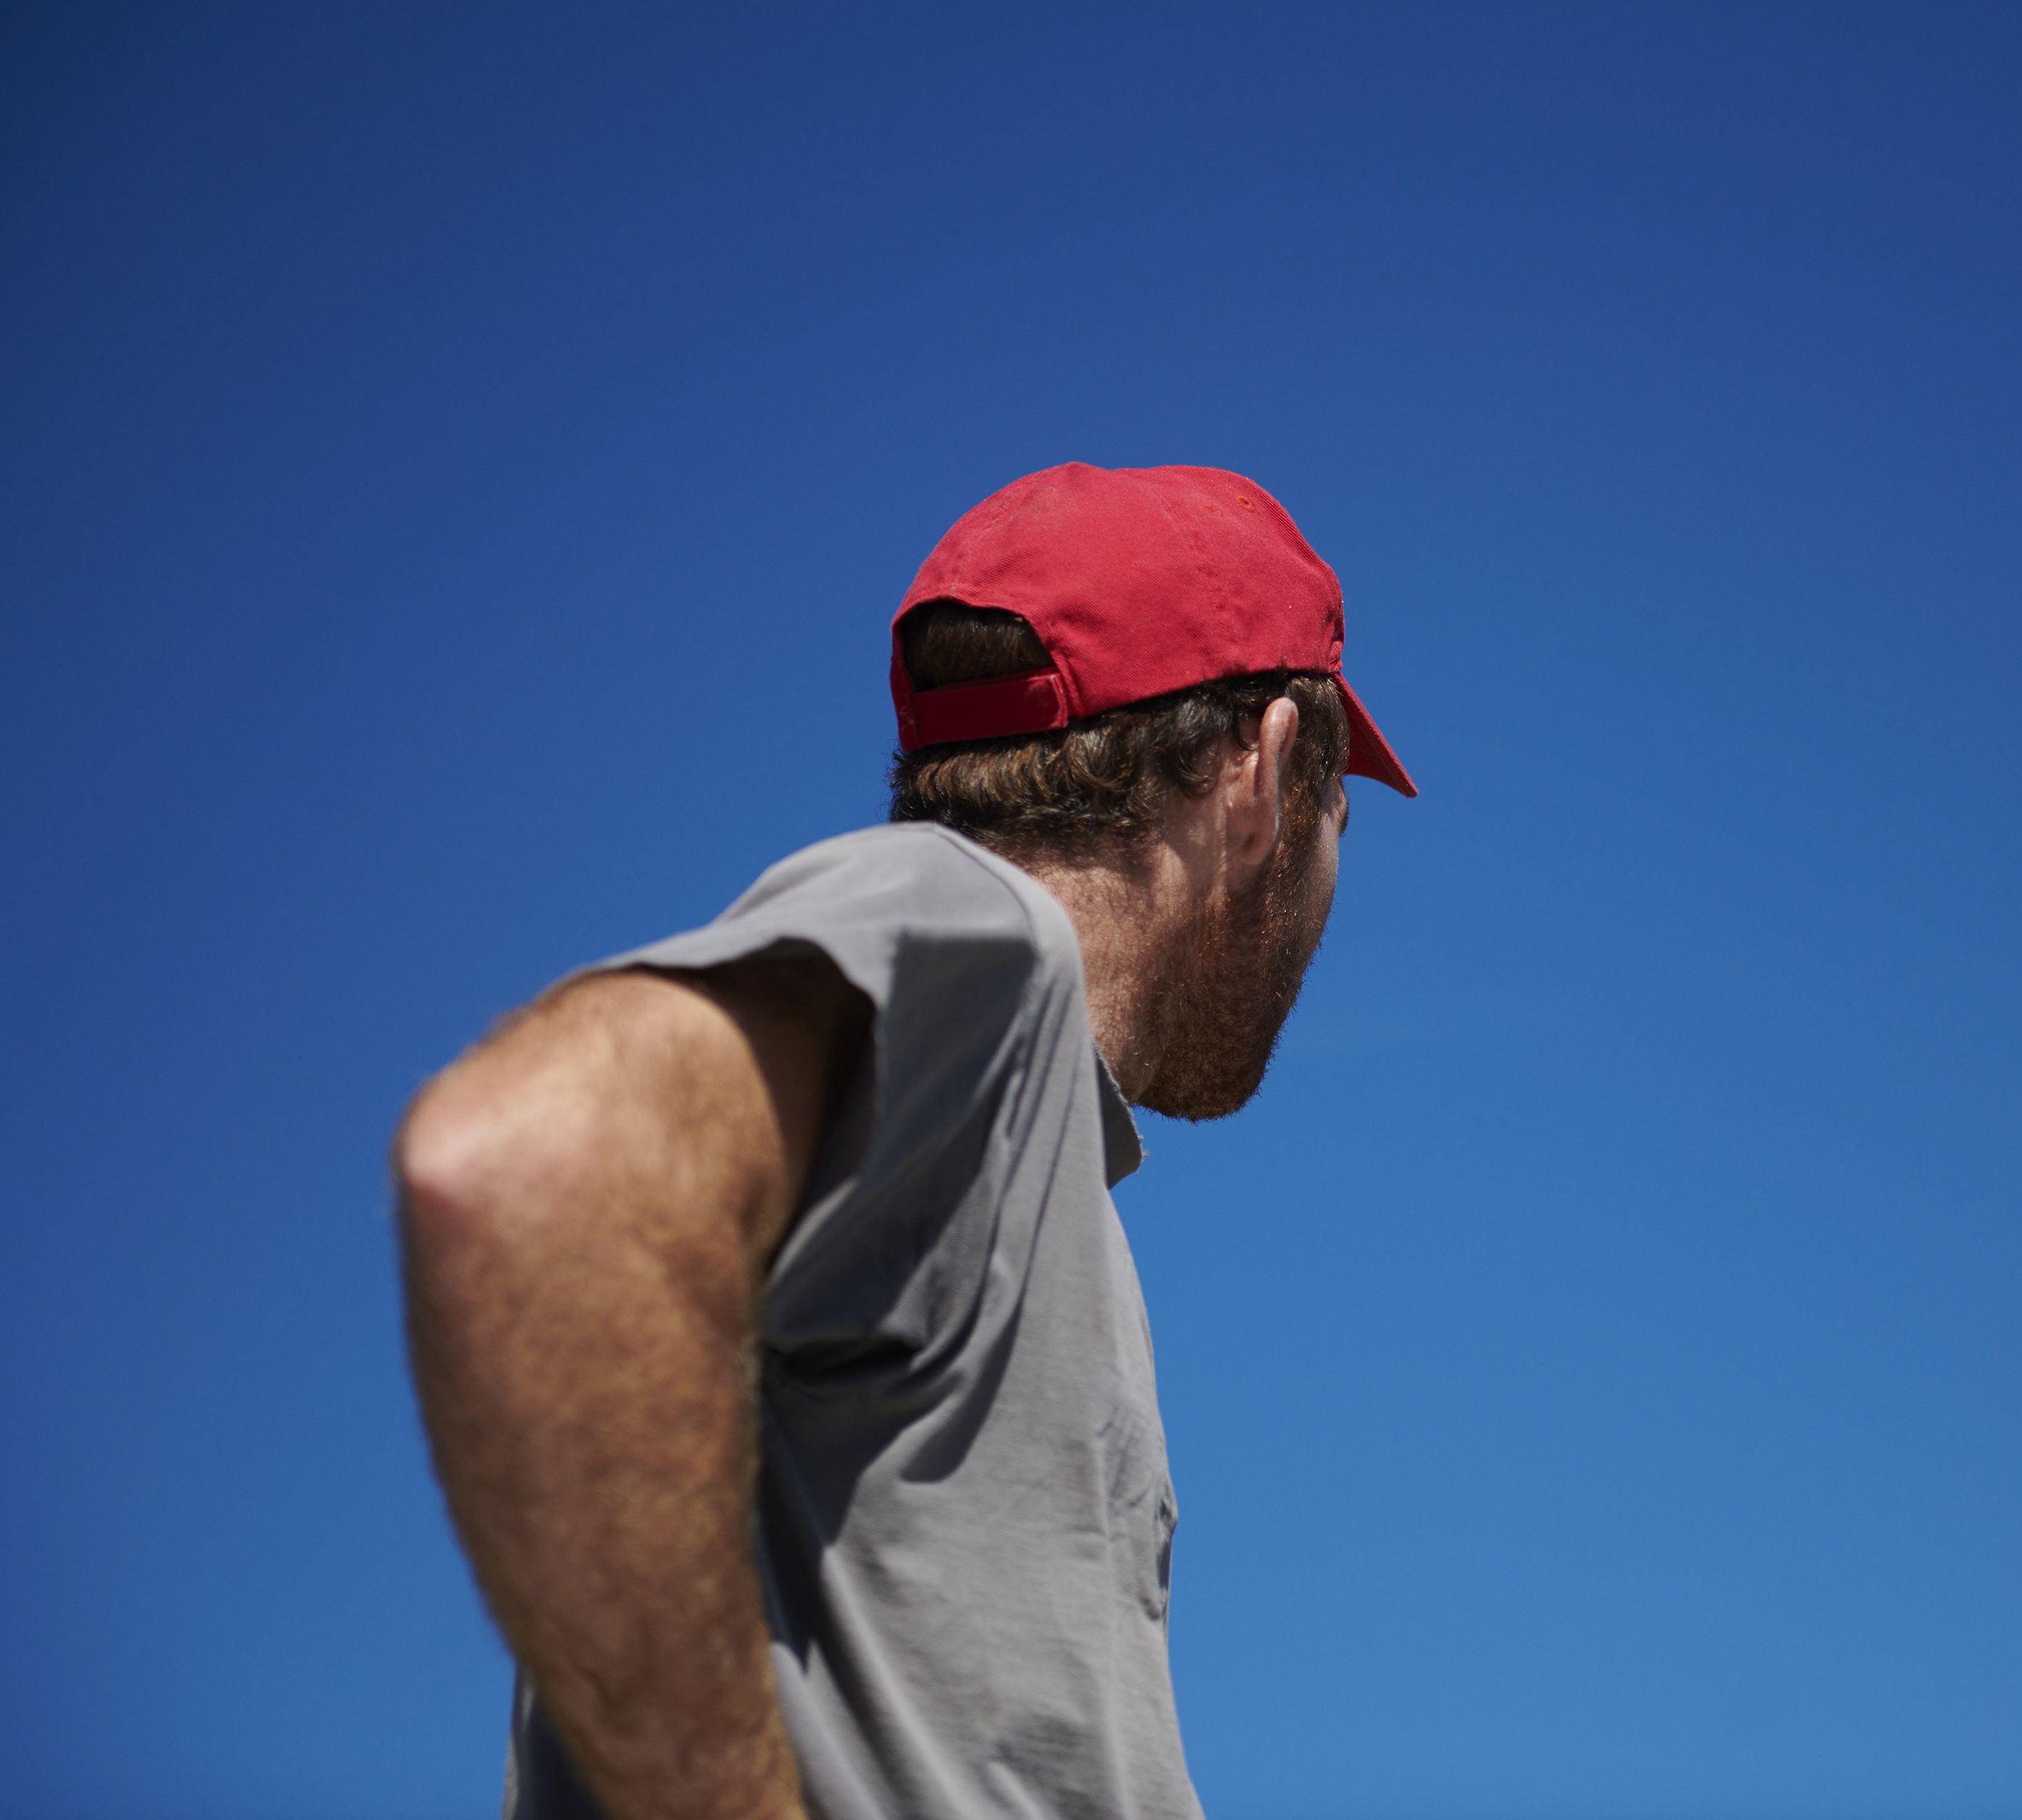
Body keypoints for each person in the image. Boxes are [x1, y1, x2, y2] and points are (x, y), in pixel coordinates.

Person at [393, 463, 1418, 1820]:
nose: (1333, 865)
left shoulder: (1010, 1118)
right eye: (1340, 810)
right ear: (1264, 772)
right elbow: (526, 1159)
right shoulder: (988, 955)